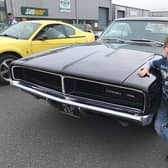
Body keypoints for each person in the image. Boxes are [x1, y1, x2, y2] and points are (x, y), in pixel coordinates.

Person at [138, 37, 168, 147]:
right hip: (165, 102)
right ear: (164, 48)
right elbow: (150, 62)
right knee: (159, 127)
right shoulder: (162, 62)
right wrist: (145, 69)